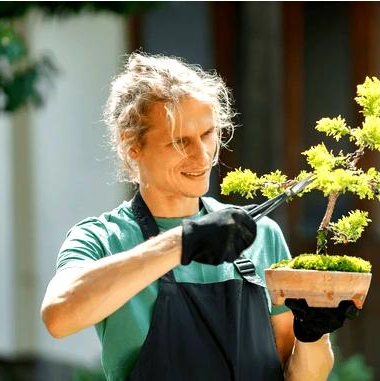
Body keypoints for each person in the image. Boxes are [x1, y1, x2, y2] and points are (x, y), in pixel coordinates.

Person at [40, 52, 357, 381]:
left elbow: (301, 376)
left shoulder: (260, 235)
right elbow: (59, 315)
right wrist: (182, 241)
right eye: (180, 141)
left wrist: (314, 336)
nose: (202, 155)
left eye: (208, 134)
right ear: (132, 145)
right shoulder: (103, 239)